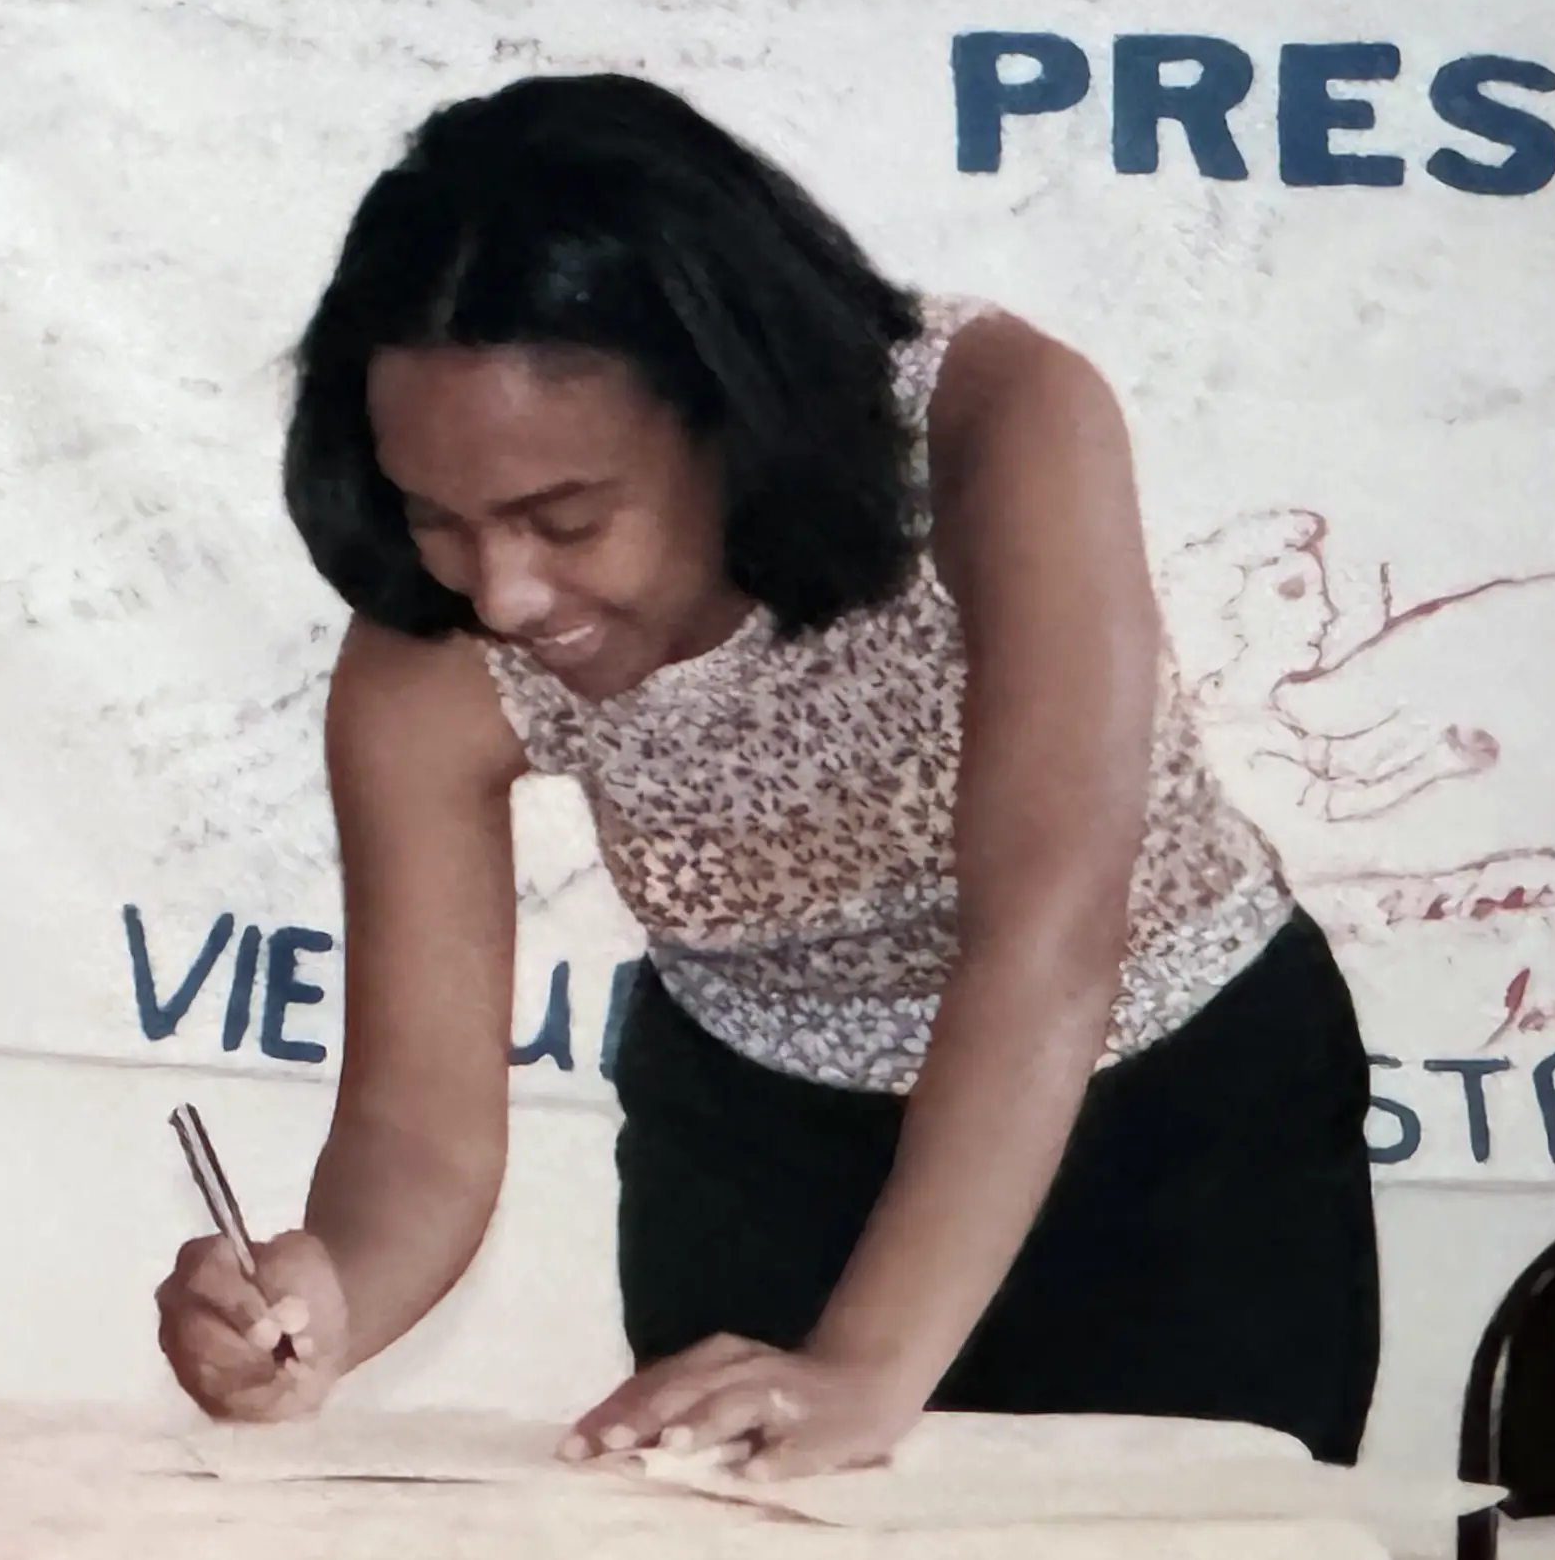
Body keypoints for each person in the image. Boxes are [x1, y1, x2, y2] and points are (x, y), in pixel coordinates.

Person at [153, 75, 1376, 1473]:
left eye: (565, 516)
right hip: (758, 1143)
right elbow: (416, 1135)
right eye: (438, 516)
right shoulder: (424, 660)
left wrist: (862, 1365)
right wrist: (321, 1300)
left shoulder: (994, 422)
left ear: (731, 413)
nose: (501, 588)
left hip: (1168, 1116)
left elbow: (1046, 936)